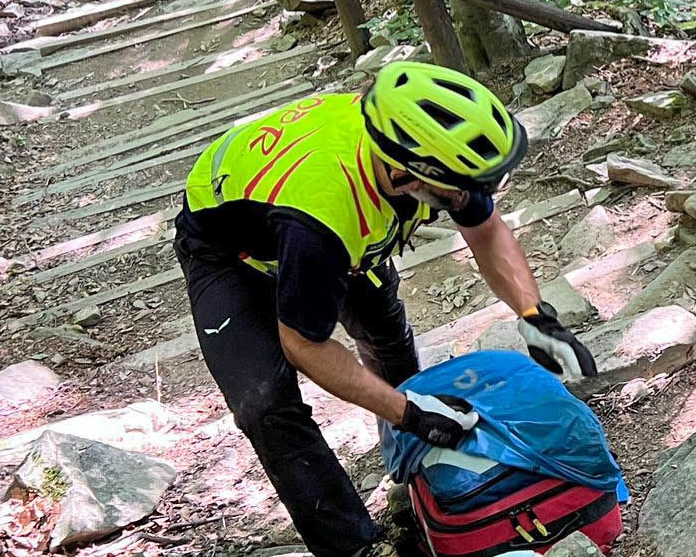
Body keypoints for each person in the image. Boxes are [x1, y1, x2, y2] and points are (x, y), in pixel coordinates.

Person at [174, 62, 599, 557]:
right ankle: (355, 547)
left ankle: (416, 482)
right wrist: (408, 413)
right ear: (404, 177)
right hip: (231, 249)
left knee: (388, 341)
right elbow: (304, 345)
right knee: (267, 406)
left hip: (342, 232)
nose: (471, 199)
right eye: (460, 189)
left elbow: (486, 230)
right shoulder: (324, 223)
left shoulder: (413, 146)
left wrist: (536, 317)